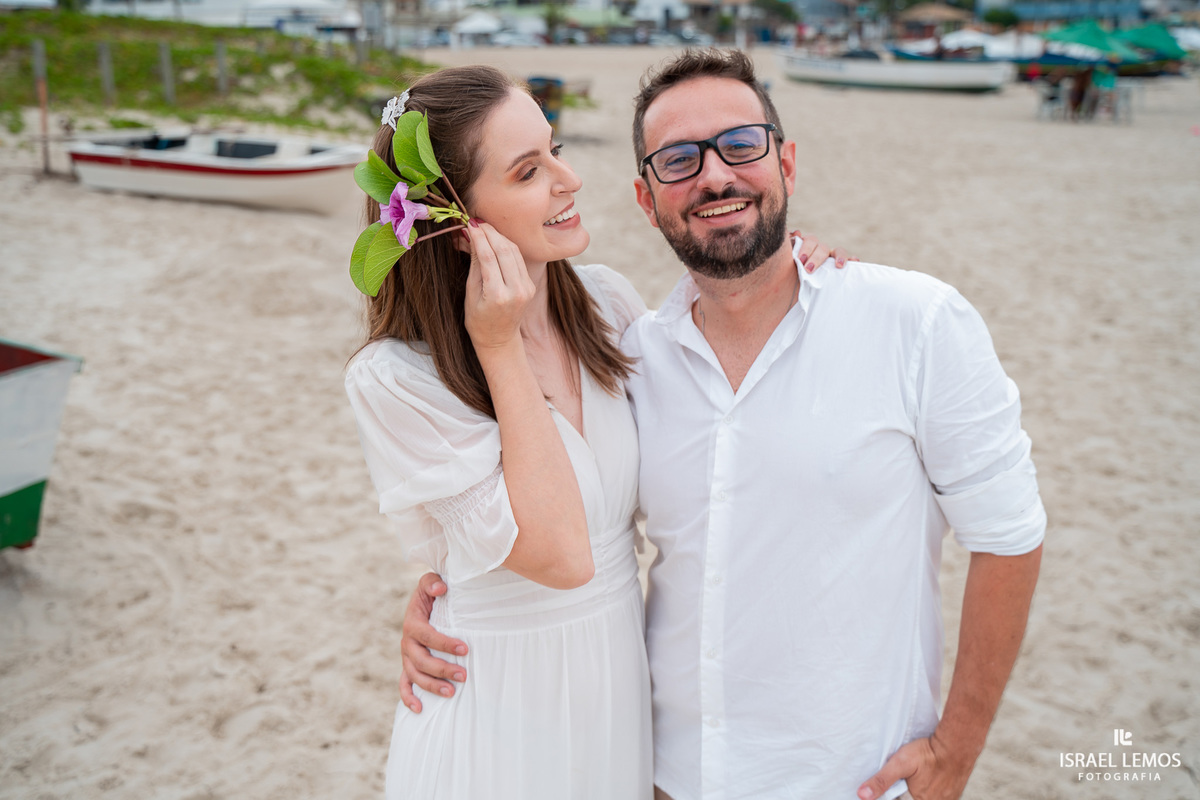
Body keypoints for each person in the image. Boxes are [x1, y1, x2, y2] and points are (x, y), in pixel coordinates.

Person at [400, 49, 1045, 800]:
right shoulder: (631, 357)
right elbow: (574, 502)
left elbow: (1009, 537)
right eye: (678, 161)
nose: (714, 176)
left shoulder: (917, 322)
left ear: (787, 163)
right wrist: (439, 604)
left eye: (741, 145)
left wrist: (956, 751)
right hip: (666, 778)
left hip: (851, 781)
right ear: (646, 200)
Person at [343, 64, 843, 799]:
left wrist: (801, 275)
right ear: (456, 224)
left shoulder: (608, 306)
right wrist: (500, 344)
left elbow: (719, 434)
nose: (568, 179)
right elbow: (562, 554)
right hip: (495, 706)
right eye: (527, 172)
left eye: (555, 148)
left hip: (617, 690)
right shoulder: (396, 379)